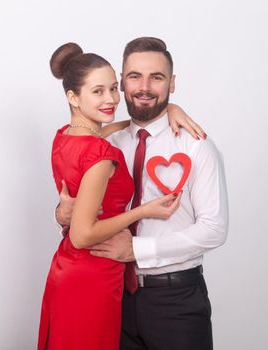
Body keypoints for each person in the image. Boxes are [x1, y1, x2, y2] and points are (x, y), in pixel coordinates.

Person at [56, 37, 229, 350]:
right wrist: (61, 211)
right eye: (135, 76)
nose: (144, 87)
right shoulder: (107, 141)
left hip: (175, 302)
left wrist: (137, 249)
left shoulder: (196, 145)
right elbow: (81, 200)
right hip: (112, 296)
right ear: (122, 83)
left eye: (157, 77)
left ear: (171, 84)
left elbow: (214, 229)